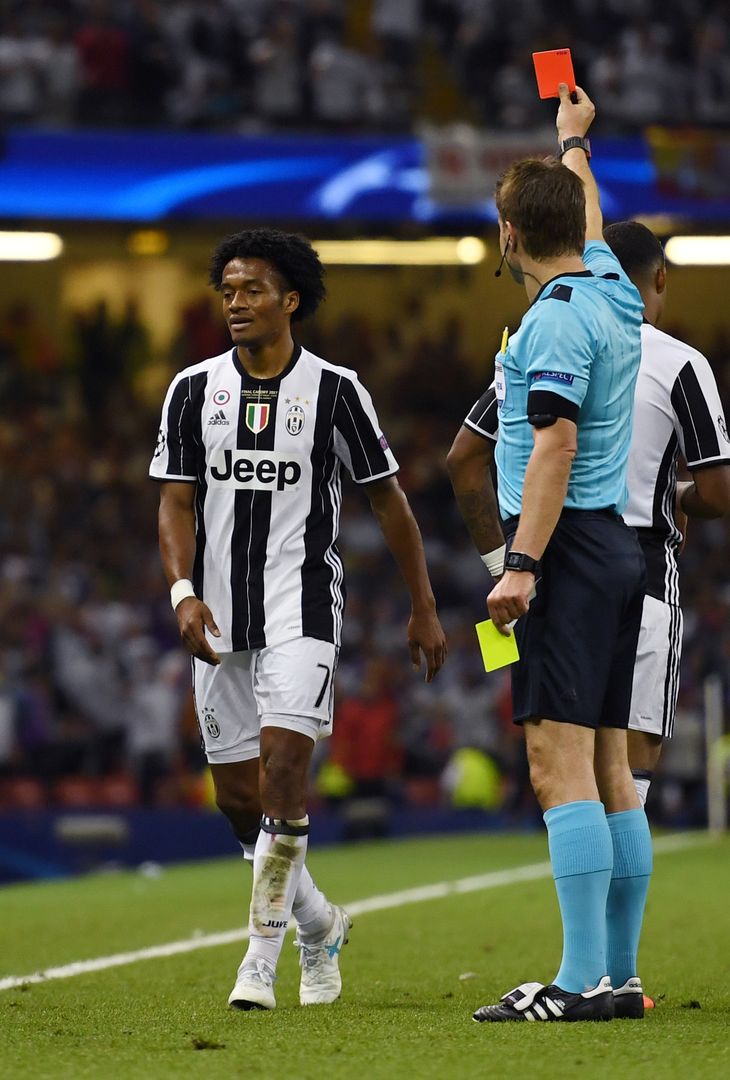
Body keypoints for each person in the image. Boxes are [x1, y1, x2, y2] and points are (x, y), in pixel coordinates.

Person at [150, 227, 447, 1012]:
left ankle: (260, 960)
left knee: (285, 770)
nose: (236, 302)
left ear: (291, 300)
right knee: (240, 803)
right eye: (228, 290)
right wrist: (182, 591)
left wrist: (423, 606)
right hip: (216, 617)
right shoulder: (191, 389)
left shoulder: (338, 391)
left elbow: (389, 500)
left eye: (252, 289)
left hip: (302, 606)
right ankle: (320, 924)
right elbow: (175, 501)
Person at [447, 85, 652, 1022]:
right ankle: (616, 975)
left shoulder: (554, 321)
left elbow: (555, 444)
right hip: (614, 544)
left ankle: (576, 982)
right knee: (610, 767)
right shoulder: (608, 286)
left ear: (505, 234)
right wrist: (572, 141)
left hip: (563, 553)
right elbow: (588, 213)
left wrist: (520, 563)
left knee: (554, 764)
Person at [601, 222, 730, 801]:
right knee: (634, 761)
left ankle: (579, 891)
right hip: (643, 569)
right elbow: (721, 493)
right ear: (659, 279)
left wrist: (501, 564)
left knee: (565, 757)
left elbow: (465, 457)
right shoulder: (680, 362)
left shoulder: (545, 348)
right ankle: (616, 894)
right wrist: (677, 497)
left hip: (555, 569)